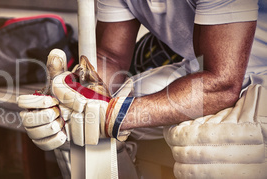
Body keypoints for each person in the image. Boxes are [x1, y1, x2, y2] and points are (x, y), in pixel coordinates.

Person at [18, 0, 267, 178]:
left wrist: (117, 115)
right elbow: (110, 56)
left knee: (213, 146)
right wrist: (75, 92)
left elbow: (222, 82)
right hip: (202, 70)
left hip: (252, 73)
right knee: (78, 123)